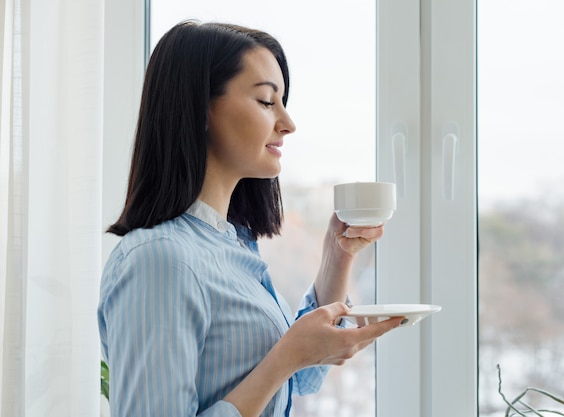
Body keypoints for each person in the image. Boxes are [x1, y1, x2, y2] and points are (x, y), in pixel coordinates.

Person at [97, 20, 403, 417]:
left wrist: (337, 257)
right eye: (265, 101)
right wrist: (285, 358)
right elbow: (284, 367)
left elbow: (295, 381)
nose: (288, 124)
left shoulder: (230, 243)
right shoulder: (161, 260)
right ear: (200, 109)